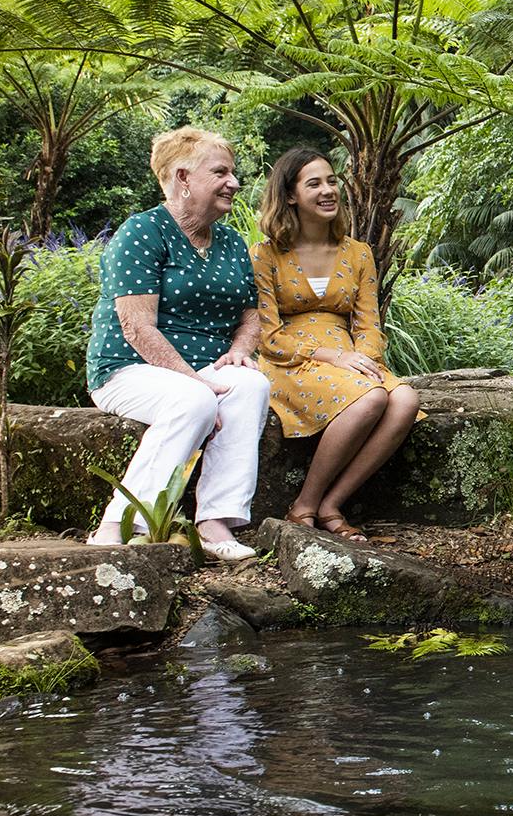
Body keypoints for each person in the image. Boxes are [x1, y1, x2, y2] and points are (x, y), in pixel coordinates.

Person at [85, 127, 270, 562]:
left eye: (233, 172)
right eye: (221, 172)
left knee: (251, 385)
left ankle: (215, 521)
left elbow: (250, 312)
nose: (234, 182)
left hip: (203, 368)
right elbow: (137, 327)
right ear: (183, 177)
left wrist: (242, 350)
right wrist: (197, 383)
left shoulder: (229, 242)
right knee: (193, 402)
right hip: (129, 368)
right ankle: (119, 524)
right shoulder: (143, 232)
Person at [250, 148, 420, 541]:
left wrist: (365, 359)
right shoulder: (266, 255)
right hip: (291, 361)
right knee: (373, 398)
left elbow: (369, 323)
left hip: (349, 359)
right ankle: (304, 505)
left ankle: (330, 504)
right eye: (314, 184)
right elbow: (267, 335)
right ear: (290, 195)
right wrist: (330, 356)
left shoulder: (357, 253)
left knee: (406, 400)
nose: (328, 191)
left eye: (331, 181)